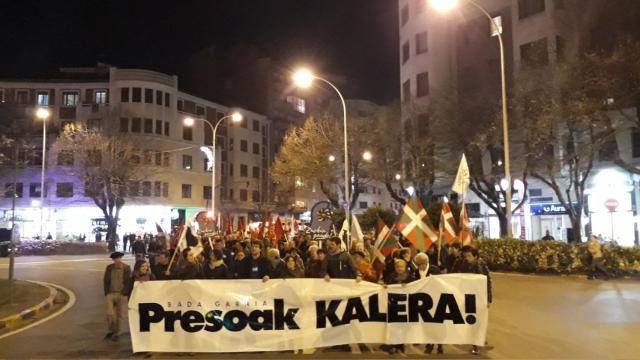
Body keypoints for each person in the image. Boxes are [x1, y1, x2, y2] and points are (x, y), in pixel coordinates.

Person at [461, 245, 492, 355]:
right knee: (472, 320)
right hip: (469, 297)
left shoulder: (481, 265)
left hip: (480, 298)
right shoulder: (464, 265)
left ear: (476, 256)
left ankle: (476, 344)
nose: (467, 258)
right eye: (466, 256)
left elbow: (488, 282)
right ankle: (478, 340)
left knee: (478, 321)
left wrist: (489, 299)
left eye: (469, 256)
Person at [383, 259, 415, 354]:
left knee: (402, 326)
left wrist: (408, 286)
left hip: (404, 305)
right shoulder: (391, 277)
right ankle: (394, 344)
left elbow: (415, 288)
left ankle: (400, 345)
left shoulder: (410, 278)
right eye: (397, 267)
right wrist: (385, 286)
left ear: (405, 268)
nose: (399, 268)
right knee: (393, 325)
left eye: (401, 267)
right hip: (393, 304)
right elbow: (386, 286)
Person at [412, 253, 443, 354]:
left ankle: (440, 345)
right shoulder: (416, 271)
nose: (419, 266)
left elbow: (440, 284)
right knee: (426, 323)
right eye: (418, 264)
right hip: (423, 301)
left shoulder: (435, 270)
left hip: (435, 299)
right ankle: (429, 344)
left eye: (421, 264)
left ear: (426, 262)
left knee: (437, 323)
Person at [103, 252, 132, 342]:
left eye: (118, 258)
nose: (117, 260)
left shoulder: (126, 268)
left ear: (121, 258)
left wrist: (124, 293)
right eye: (115, 259)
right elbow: (106, 280)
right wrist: (106, 292)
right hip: (110, 294)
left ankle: (116, 333)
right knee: (110, 314)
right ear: (113, 260)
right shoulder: (109, 268)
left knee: (119, 315)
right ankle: (112, 330)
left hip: (121, 294)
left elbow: (128, 282)